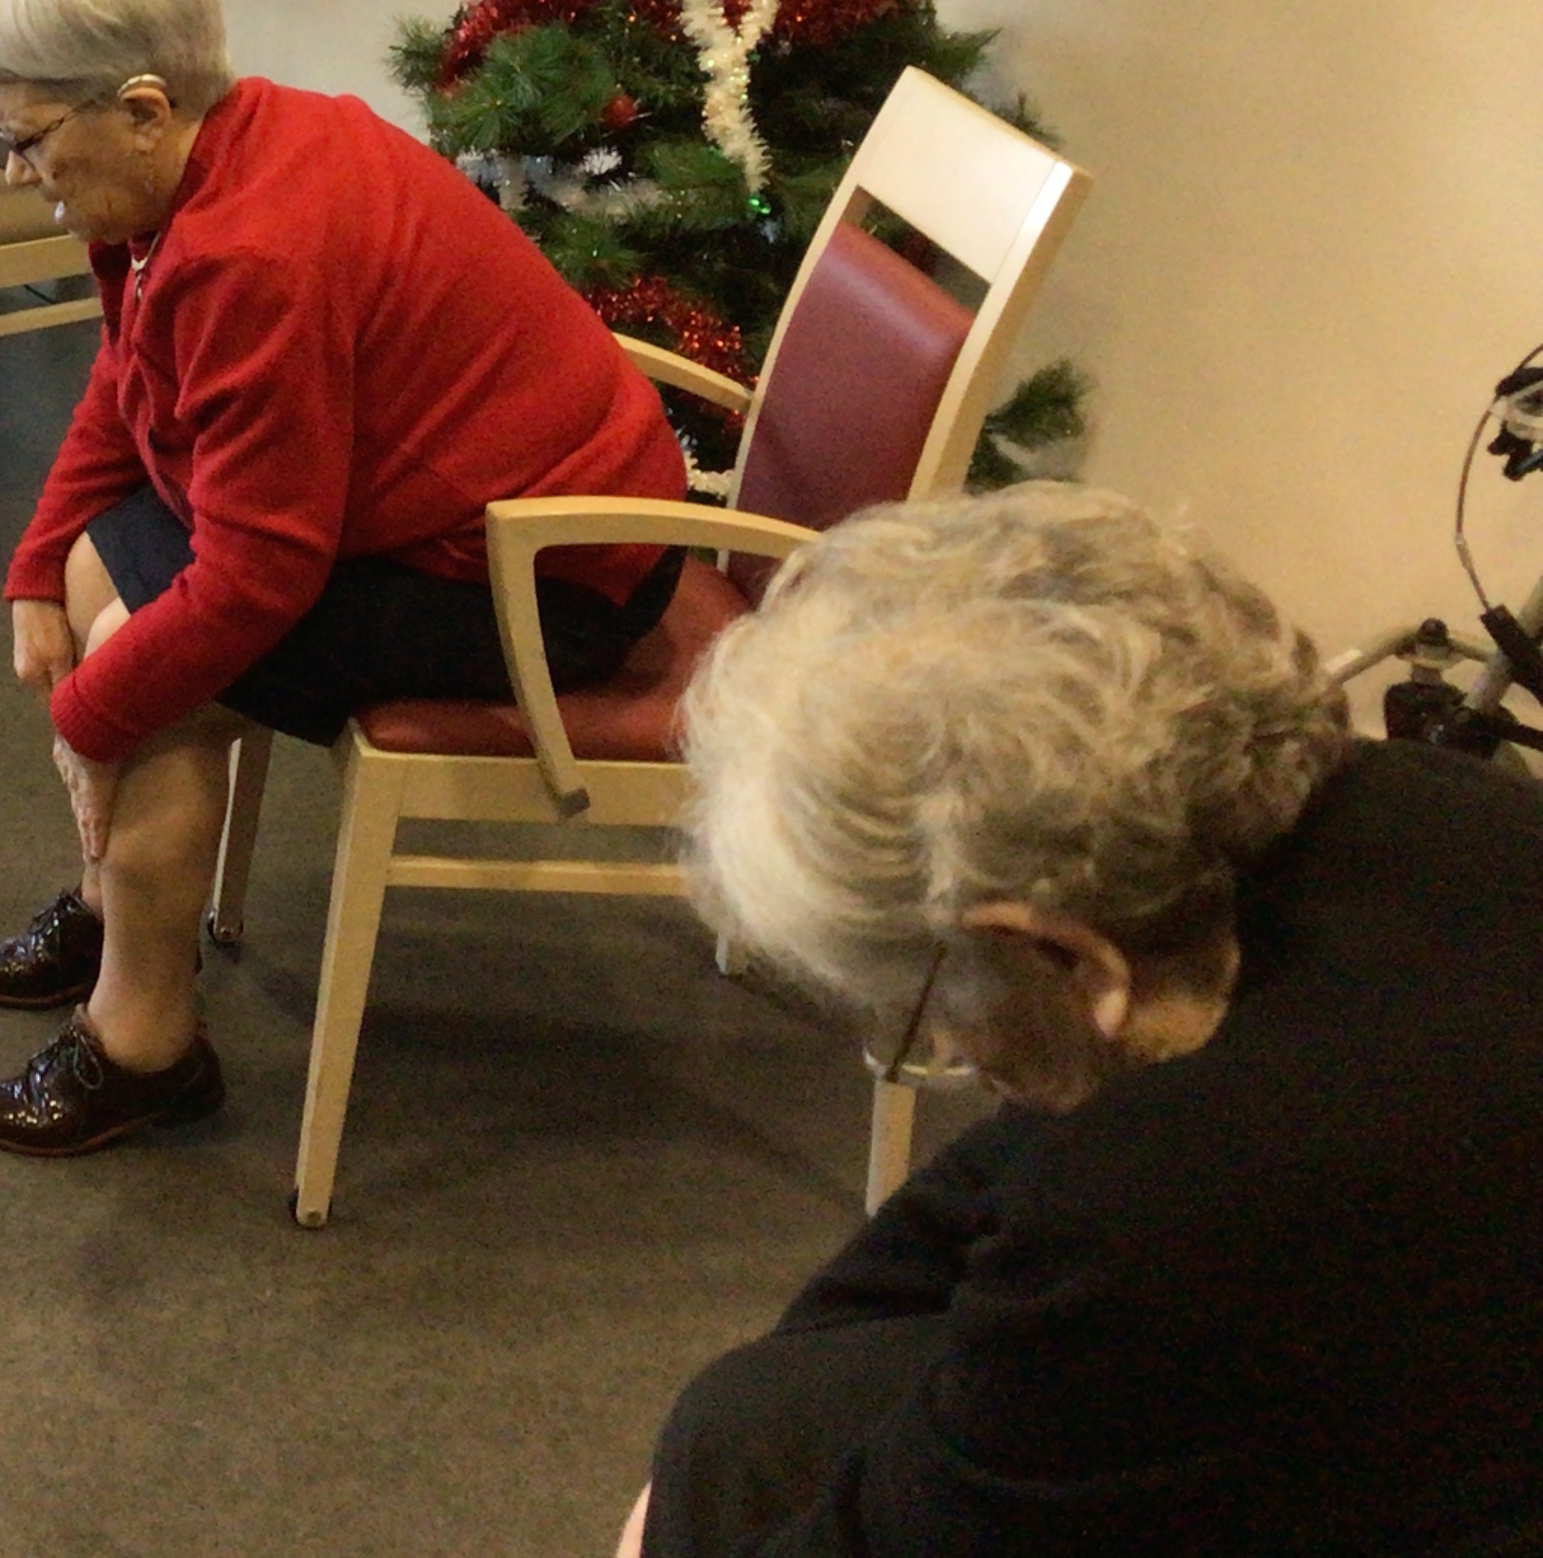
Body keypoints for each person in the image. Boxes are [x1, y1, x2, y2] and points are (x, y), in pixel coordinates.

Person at [622, 484, 1543, 1558]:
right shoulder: (1405, 804)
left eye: (924, 1005)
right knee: (749, 1422)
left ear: (1061, 954)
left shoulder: (1175, 1214)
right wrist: (759, 1384)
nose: (949, 1048)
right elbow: (978, 1193)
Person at [0, 0, 689, 1153]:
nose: (18, 171)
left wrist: (89, 723)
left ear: (142, 108)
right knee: (90, 567)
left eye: (28, 139)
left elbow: (261, 577)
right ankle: (119, 903)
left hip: (552, 575)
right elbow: (133, 377)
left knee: (154, 676)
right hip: (446, 516)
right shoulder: (202, 157)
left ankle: (143, 1044)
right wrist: (35, 562)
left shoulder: (251, 255)